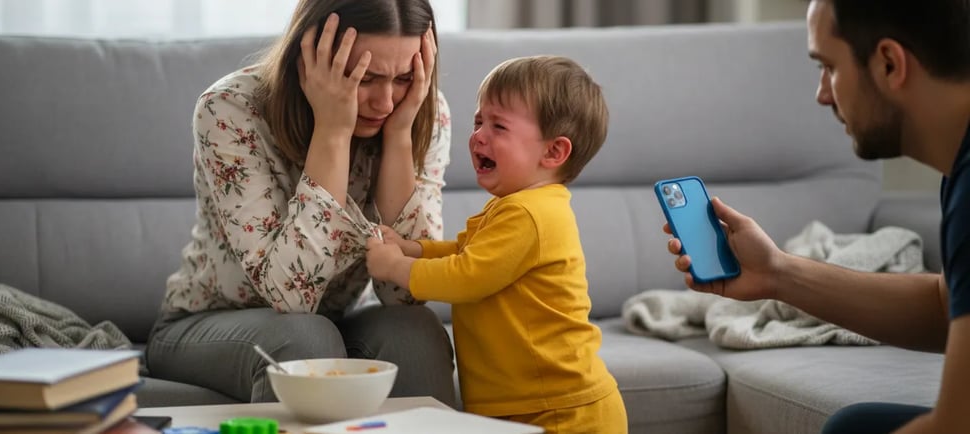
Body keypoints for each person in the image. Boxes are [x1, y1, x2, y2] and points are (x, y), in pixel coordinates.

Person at [663, 1, 970, 433]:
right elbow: (945, 307)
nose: (822, 93)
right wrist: (777, 274)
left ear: (888, 64)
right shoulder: (958, 170)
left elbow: (955, 426)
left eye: (829, 67)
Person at [146, 0, 457, 407]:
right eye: (364, 77)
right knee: (306, 338)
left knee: (416, 332)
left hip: (335, 321)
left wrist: (399, 138)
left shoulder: (416, 115)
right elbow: (293, 299)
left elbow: (406, 296)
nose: (385, 102)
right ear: (310, 55)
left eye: (403, 77)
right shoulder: (230, 109)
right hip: (207, 322)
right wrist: (332, 131)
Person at [366, 55, 628, 434]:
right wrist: (413, 249)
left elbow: (466, 276)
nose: (478, 136)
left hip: (562, 412)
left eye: (498, 126)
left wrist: (394, 267)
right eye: (478, 121)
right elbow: (464, 250)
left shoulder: (529, 215)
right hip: (521, 406)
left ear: (553, 152)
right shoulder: (516, 207)